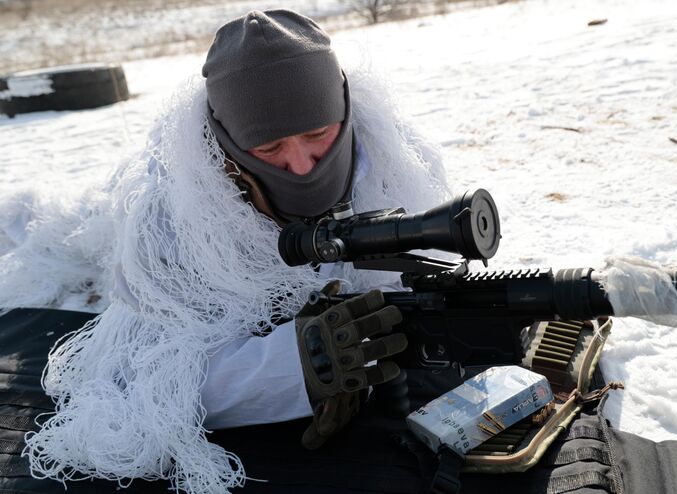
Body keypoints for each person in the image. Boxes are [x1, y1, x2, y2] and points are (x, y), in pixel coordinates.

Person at [22, 9, 452, 494]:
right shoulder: (172, 219)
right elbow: (138, 384)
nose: (301, 164)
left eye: (318, 134)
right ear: (228, 147)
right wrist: (301, 368)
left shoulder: (397, 162)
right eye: (269, 148)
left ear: (346, 110)